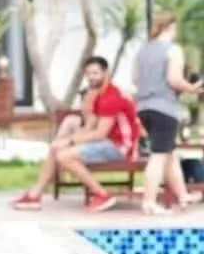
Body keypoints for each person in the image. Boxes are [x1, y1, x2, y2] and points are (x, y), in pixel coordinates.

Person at [13, 56, 140, 213]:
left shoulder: (112, 97)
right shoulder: (98, 95)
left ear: (106, 73)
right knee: (56, 149)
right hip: (106, 143)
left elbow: (100, 134)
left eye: (95, 73)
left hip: (120, 147)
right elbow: (89, 127)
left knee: (64, 156)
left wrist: (70, 141)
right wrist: (66, 140)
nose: (91, 77)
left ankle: (102, 194)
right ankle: (34, 196)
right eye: (88, 73)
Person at [133, 12, 204, 215]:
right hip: (164, 108)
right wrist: (192, 88)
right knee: (158, 156)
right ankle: (149, 202)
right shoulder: (173, 49)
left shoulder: (143, 50)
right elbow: (174, 79)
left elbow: (135, 78)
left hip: (144, 107)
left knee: (169, 154)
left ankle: (182, 196)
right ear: (171, 26)